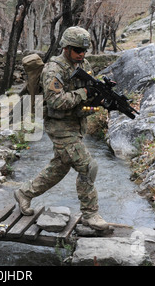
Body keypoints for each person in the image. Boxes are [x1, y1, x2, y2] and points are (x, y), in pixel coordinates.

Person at [14, 26, 109, 231]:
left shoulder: (84, 64)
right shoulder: (54, 69)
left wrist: (102, 97)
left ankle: (25, 193)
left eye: (84, 50)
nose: (81, 54)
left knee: (59, 167)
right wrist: (84, 93)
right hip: (59, 126)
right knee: (88, 166)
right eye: (77, 50)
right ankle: (90, 214)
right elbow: (56, 101)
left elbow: (88, 91)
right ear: (66, 48)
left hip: (76, 124)